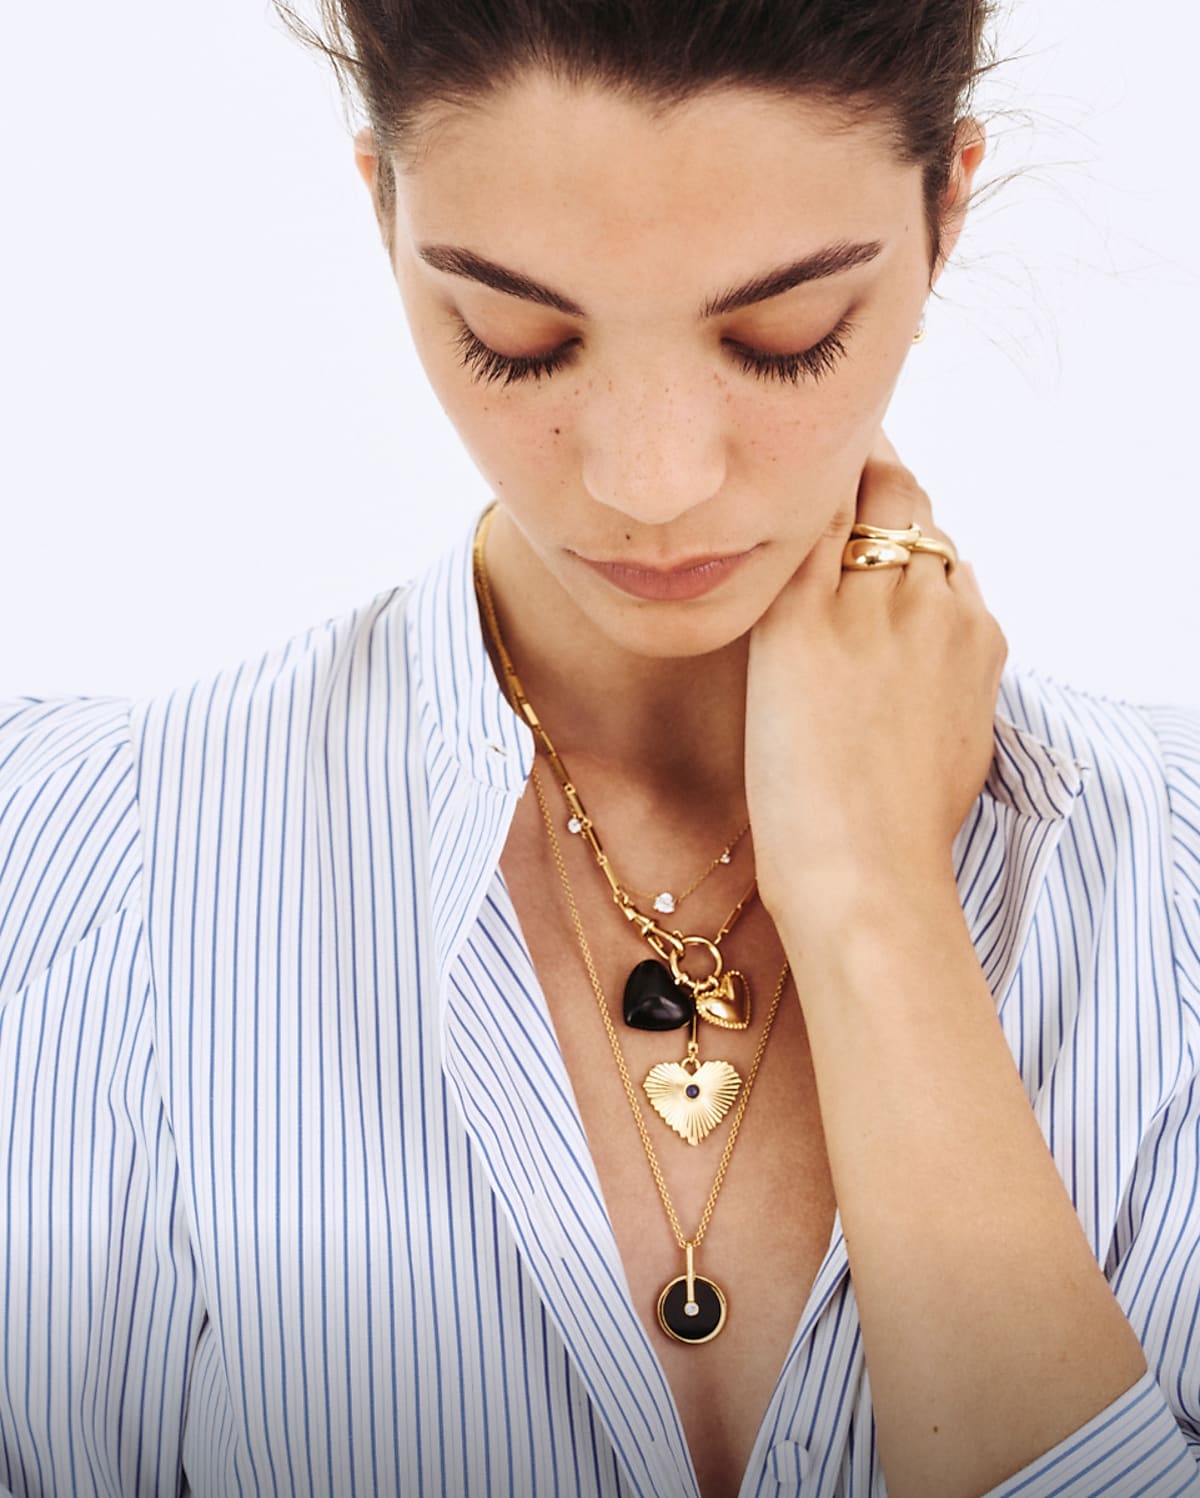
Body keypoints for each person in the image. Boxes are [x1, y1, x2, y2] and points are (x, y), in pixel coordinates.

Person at [1, 1, 1198, 1494]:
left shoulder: (1174, 893)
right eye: (518, 342)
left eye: (781, 338)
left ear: (944, 208)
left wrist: (878, 901)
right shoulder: (71, 878)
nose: (651, 481)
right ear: (384, 213)